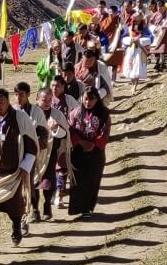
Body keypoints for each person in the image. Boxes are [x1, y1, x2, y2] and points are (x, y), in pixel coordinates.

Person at [0, 88, 37, 254]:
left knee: (15, 209)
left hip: (14, 172)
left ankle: (16, 228)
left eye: (1, 102)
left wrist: (25, 166)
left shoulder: (20, 118)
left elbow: (32, 145)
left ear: (8, 102)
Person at [69, 88, 111, 218]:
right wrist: (81, 142)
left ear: (97, 99)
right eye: (85, 98)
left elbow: (105, 132)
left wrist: (93, 144)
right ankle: (77, 208)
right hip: (78, 152)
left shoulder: (104, 114)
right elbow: (70, 130)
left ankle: (87, 209)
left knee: (92, 180)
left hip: (96, 153)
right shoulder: (75, 113)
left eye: (91, 99)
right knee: (77, 180)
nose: (87, 102)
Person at [15, 82, 50, 229]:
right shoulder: (12, 111)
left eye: (21, 95)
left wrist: (34, 143)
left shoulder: (36, 112)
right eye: (16, 95)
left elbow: (43, 133)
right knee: (17, 188)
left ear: (28, 94)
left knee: (29, 184)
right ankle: (20, 218)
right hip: (15, 155)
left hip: (30, 154)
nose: (18, 98)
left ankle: (31, 212)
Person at [35, 88, 71, 221]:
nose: (47, 103)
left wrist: (56, 128)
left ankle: (47, 206)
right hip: (34, 154)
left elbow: (66, 135)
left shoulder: (57, 114)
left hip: (50, 153)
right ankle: (34, 210)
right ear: (37, 99)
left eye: (50, 100)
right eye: (44, 99)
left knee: (49, 181)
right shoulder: (31, 114)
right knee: (32, 182)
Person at [48, 76, 79, 211]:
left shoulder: (69, 100)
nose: (55, 88)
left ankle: (59, 194)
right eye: (53, 85)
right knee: (50, 167)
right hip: (48, 139)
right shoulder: (46, 98)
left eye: (58, 86)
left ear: (63, 87)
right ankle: (51, 191)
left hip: (64, 138)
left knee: (62, 167)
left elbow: (78, 113)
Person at [147, 0, 167, 72]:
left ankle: (163, 63)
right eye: (159, 8)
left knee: (165, 49)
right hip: (157, 35)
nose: (160, 10)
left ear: (164, 7)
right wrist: (153, 28)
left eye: (161, 8)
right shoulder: (155, 14)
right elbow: (151, 23)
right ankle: (157, 63)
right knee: (155, 49)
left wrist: (166, 27)